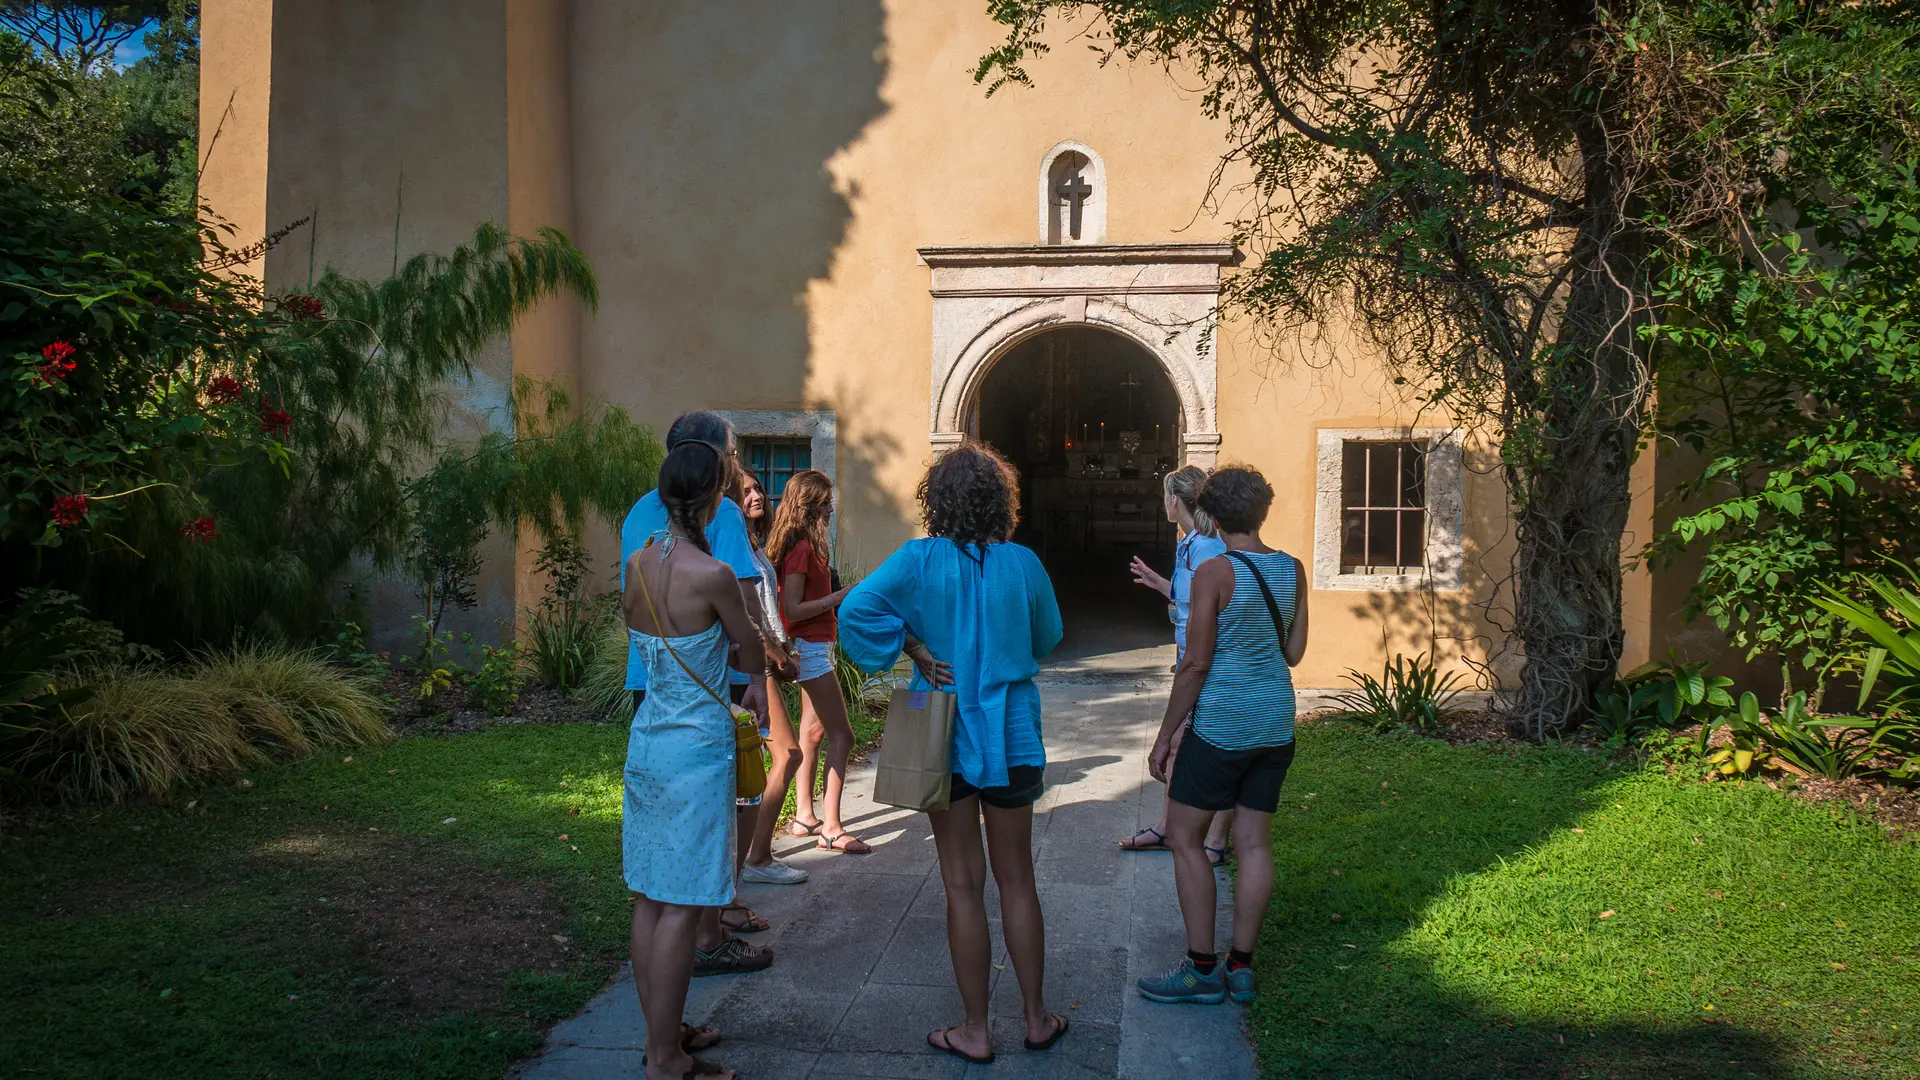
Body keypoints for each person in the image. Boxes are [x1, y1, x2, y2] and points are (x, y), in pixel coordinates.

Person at [839, 441, 1071, 1064]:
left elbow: (857, 608)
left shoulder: (917, 560)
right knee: (1018, 879)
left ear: (936, 501)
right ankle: (1036, 1018)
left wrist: (914, 648)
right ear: (1001, 501)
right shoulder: (1024, 563)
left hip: (943, 734)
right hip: (1013, 735)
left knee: (962, 886)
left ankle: (975, 1029)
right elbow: (1048, 635)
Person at [622, 431, 767, 1080]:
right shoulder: (712, 575)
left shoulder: (639, 563)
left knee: (650, 899)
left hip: (648, 739)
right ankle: (665, 1059)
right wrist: (752, 666)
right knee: (681, 903)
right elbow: (749, 647)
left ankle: (665, 1033)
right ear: (714, 500)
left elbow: (638, 628)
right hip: (697, 749)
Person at [1137, 465, 1308, 1008]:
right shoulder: (1292, 569)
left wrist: (1165, 736)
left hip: (1221, 726)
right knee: (1254, 843)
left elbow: (1195, 664)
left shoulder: (1215, 571)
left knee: (1185, 839)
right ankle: (1241, 967)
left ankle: (1202, 969)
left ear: (1210, 511)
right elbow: (1294, 653)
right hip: (1275, 722)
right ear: (1262, 510)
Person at [1117, 466, 1238, 864]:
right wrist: (1160, 584)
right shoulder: (1189, 544)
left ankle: (1214, 842)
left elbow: (1215, 607)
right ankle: (1169, 828)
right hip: (1190, 658)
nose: (1163, 502)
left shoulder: (1208, 547)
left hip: (1207, 663)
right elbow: (1191, 601)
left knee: (1203, 750)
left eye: (1165, 495)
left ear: (1175, 500)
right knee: (1176, 750)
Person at [766, 470, 869, 854]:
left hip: (815, 647)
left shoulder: (807, 545)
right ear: (809, 506)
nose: (831, 509)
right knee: (844, 735)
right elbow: (792, 609)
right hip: (811, 650)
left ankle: (804, 817)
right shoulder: (801, 550)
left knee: (813, 733)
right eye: (825, 502)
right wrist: (840, 596)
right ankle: (832, 828)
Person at [738, 472, 809, 884]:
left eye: (757, 488)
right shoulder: (734, 546)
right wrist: (777, 655)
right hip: (755, 661)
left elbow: (766, 607)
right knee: (788, 754)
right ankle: (758, 858)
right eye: (744, 491)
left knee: (764, 758)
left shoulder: (752, 543)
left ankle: (750, 853)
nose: (755, 495)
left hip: (767, 656)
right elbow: (748, 615)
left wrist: (785, 646)